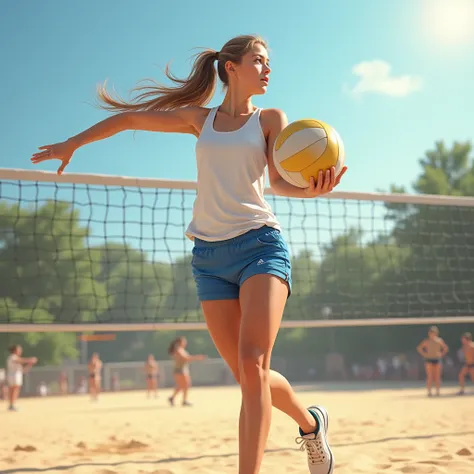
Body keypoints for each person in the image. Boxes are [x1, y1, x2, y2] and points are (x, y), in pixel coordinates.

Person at [30, 34, 346, 474]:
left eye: (268, 62)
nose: (268, 69)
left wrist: (313, 191)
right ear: (231, 67)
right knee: (246, 377)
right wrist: (72, 144)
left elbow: (277, 183)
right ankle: (312, 424)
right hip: (209, 259)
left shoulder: (271, 118)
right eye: (259, 60)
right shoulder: (201, 119)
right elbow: (130, 120)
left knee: (254, 366)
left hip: (260, 246)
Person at [167, 336, 206, 407]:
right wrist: (198, 357)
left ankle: (172, 398)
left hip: (182, 370)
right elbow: (186, 358)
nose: (185, 343)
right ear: (179, 342)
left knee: (182, 386)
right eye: (184, 341)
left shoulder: (181, 349)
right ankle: (183, 401)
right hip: (180, 370)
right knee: (186, 385)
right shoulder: (178, 350)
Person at [416, 326, 449, 397]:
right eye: (431, 333)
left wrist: (441, 354)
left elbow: (445, 348)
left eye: (434, 333)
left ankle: (437, 391)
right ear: (429, 333)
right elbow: (419, 348)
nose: (432, 334)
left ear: (436, 333)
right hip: (429, 359)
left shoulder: (439, 340)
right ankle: (429, 392)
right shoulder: (426, 341)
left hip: (437, 359)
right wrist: (425, 354)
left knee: (437, 376)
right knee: (430, 376)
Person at [6, 345, 38, 411]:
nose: (20, 351)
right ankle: (12, 405)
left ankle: (12, 404)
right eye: (19, 350)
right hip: (13, 376)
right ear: (15, 351)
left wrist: (30, 364)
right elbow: (20, 361)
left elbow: (23, 370)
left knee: (15, 390)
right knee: (14, 390)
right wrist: (30, 360)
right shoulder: (13, 357)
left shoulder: (16, 358)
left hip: (17, 376)